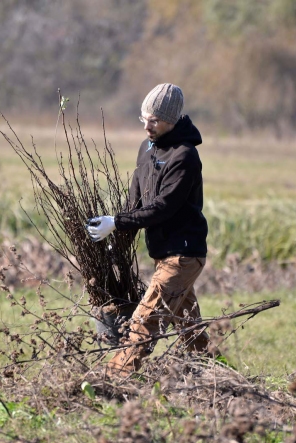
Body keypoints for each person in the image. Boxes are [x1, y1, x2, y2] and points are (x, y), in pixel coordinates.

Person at [86, 83, 210, 377]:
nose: (147, 127)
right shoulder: (147, 148)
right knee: (189, 325)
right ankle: (210, 373)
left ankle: (112, 380)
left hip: (183, 254)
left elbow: (164, 206)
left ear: (172, 119)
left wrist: (115, 222)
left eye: (154, 120)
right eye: (143, 118)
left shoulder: (185, 156)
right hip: (162, 253)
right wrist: (118, 237)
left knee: (146, 319)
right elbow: (137, 200)